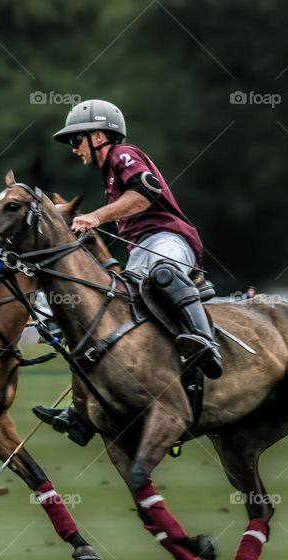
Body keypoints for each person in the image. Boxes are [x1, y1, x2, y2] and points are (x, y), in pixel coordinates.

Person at [33, 99, 221, 444]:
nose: (75, 150)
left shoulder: (123, 154)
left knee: (163, 275)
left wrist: (96, 216)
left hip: (168, 238)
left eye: (77, 140)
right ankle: (82, 413)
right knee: (114, 316)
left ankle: (205, 343)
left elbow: (147, 193)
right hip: (140, 250)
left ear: (99, 135)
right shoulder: (108, 175)